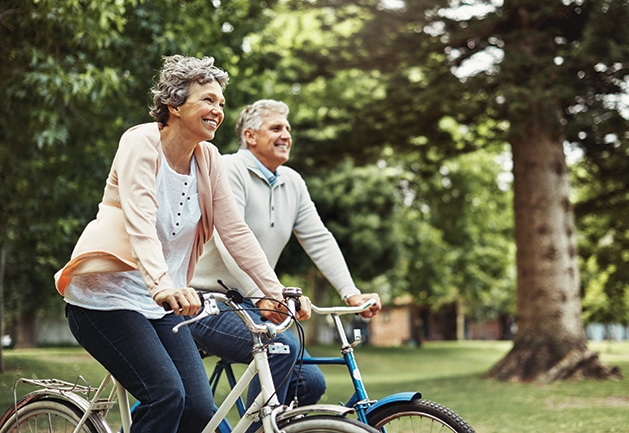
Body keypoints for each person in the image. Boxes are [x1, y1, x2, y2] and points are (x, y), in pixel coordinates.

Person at [54, 58, 310, 433]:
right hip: (105, 298)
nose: (218, 111)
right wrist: (162, 285)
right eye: (208, 100)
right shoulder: (140, 142)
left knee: (198, 409)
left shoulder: (208, 159)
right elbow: (140, 219)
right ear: (174, 105)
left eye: (221, 103)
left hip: (162, 306)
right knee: (166, 395)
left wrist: (276, 291)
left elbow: (235, 232)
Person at [189, 99, 382, 411]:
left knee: (311, 382)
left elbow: (319, 238)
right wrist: (264, 295)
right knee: (280, 347)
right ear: (250, 136)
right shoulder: (228, 169)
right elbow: (229, 239)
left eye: (288, 129)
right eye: (276, 128)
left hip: (253, 302)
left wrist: (351, 294)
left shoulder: (292, 181)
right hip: (204, 300)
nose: (286, 135)